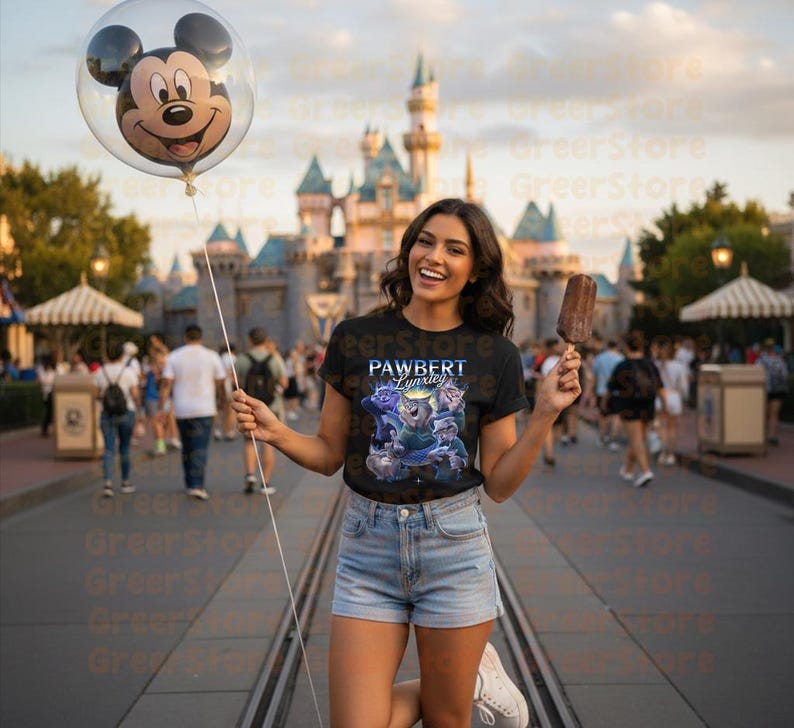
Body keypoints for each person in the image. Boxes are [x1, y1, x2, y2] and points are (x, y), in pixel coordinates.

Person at [232, 198, 582, 728]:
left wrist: (545, 415)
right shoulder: (355, 337)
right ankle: (470, 683)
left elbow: (501, 484)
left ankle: (463, 686)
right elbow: (330, 454)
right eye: (425, 240)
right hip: (366, 551)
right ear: (408, 248)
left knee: (447, 720)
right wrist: (275, 432)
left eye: (454, 248)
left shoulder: (494, 354)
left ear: (476, 269)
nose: (434, 256)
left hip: (454, 548)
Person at [158, 325, 227, 500]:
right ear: (201, 337)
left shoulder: (174, 356)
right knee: (200, 447)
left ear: (185, 337)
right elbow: (220, 382)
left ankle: (190, 482)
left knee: (187, 446)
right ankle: (197, 484)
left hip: (182, 408)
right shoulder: (211, 356)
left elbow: (166, 384)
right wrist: (222, 401)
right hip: (205, 408)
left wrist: (161, 407)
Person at [606, 332, 663, 488]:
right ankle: (628, 469)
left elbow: (610, 388)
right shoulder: (650, 364)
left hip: (629, 406)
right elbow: (660, 386)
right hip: (648, 405)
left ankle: (645, 471)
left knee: (635, 439)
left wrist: (606, 405)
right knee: (638, 439)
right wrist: (664, 405)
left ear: (626, 347)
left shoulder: (623, 365)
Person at [236, 328, 287, 494]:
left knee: (249, 441)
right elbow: (285, 382)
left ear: (250, 340)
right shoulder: (274, 359)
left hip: (248, 405)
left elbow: (235, 382)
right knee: (268, 443)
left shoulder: (242, 359)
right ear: (266, 341)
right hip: (271, 406)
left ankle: (250, 474)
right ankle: (266, 482)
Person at [93, 339, 140, 497]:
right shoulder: (128, 372)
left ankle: (108, 483)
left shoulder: (100, 372)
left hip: (106, 414)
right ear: (122, 355)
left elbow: (96, 394)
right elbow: (135, 395)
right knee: (125, 448)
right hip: (126, 412)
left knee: (108, 449)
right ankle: (125, 482)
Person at [652, 337, 689, 466]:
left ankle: (662, 453)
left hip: (660, 398)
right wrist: (683, 397)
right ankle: (671, 454)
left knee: (662, 427)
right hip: (674, 397)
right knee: (672, 428)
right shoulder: (679, 366)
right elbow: (683, 386)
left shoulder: (656, 365)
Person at [755, 338, 789, 446]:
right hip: (778, 389)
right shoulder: (779, 360)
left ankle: (763, 436)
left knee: (765, 414)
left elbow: (756, 373)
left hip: (765, 388)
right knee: (774, 413)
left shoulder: (760, 360)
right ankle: (773, 436)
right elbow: (784, 374)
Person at [591, 339, 624, 449]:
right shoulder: (621, 358)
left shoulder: (599, 358)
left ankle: (602, 437)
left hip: (602, 390)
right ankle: (613, 440)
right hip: (617, 391)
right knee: (616, 416)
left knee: (603, 415)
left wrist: (592, 391)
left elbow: (594, 375)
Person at [214, 343, 238, 441]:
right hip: (230, 385)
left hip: (220, 385)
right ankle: (229, 431)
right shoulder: (234, 358)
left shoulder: (218, 358)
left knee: (220, 408)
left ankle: (217, 430)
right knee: (231, 409)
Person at [36, 355, 57, 437]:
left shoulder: (54, 372)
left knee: (51, 412)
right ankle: (44, 429)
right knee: (49, 412)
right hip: (46, 394)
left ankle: (46, 428)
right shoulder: (43, 372)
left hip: (53, 393)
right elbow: (41, 381)